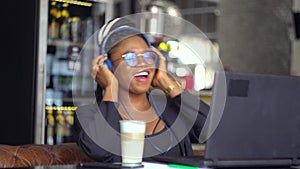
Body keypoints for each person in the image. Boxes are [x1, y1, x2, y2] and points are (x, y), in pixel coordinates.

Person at [73, 17, 210, 163]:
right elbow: (98, 150)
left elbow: (215, 132)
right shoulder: (89, 116)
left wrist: (168, 83)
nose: (142, 63)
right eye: (130, 57)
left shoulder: (172, 109)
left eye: (147, 56)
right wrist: (110, 87)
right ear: (108, 66)